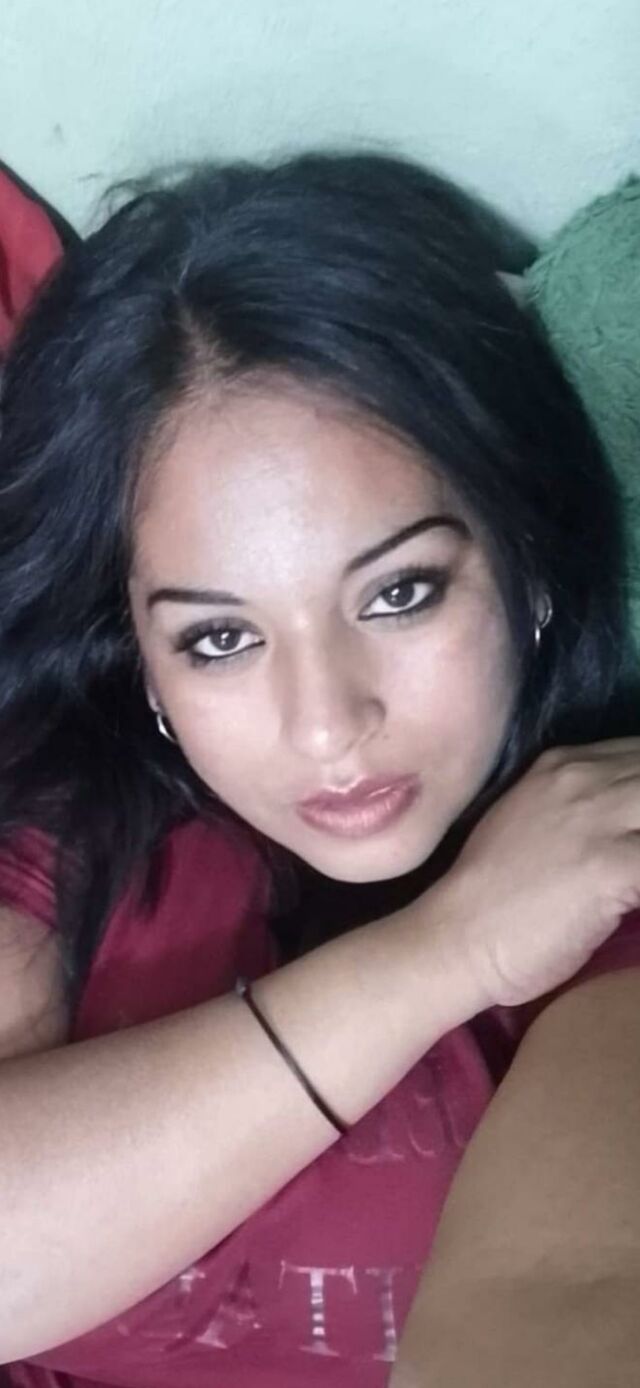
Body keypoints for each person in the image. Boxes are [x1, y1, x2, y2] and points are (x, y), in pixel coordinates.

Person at [1, 151, 640, 1388]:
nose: (326, 726)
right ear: (141, 653)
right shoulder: (67, 813)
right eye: (218, 637)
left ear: (528, 562)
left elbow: (568, 1291)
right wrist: (445, 949)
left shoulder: (600, 868)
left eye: (399, 593)